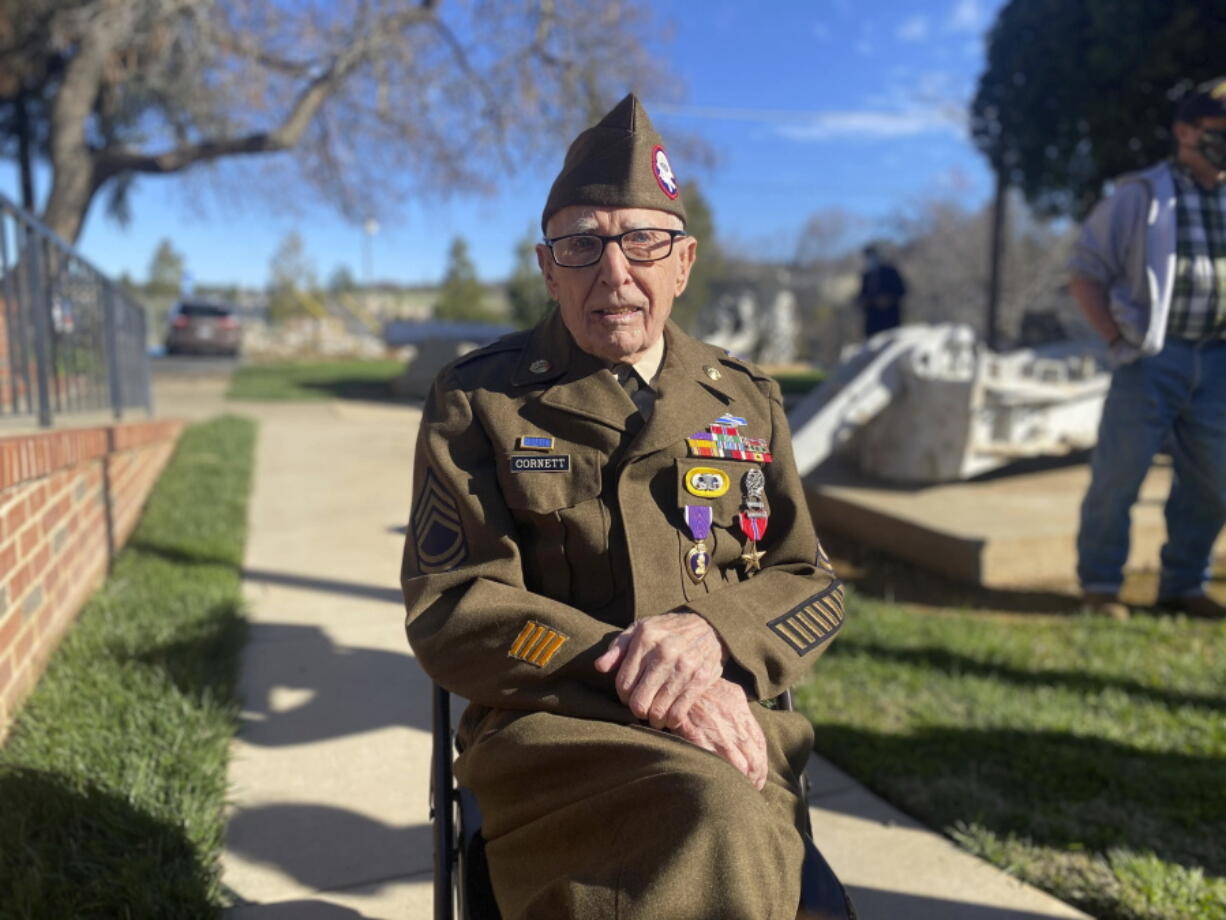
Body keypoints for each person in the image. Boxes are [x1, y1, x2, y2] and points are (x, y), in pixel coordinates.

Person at [401, 94, 845, 919]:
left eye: (643, 240)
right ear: (547, 267)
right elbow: (452, 604)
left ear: (683, 262)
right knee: (710, 819)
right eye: (582, 244)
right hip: (556, 733)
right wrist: (637, 669)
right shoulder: (480, 399)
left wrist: (714, 638)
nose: (615, 273)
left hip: (733, 728)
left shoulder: (745, 401)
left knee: (726, 816)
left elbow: (811, 585)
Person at [1069, 76, 1226, 621]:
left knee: (1214, 479)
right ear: (1184, 131)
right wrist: (1117, 339)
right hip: (1153, 357)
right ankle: (1101, 585)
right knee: (1120, 474)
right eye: (1218, 129)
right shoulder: (1140, 195)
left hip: (1219, 360)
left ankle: (1184, 584)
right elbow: (1086, 273)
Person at [854, 244, 906, 338]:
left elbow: (902, 291)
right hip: (872, 322)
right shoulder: (866, 276)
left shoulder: (890, 272)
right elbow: (862, 295)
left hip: (890, 320)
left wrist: (888, 299)